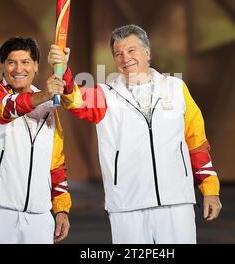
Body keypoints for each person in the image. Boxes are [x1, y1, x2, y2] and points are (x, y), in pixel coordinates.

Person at [50, 24, 222, 244]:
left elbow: (196, 143)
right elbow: (75, 100)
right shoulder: (106, 95)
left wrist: (210, 189)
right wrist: (63, 69)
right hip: (127, 206)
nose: (125, 58)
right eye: (118, 54)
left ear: (147, 52)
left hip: (176, 203)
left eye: (131, 50)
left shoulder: (176, 89)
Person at [0, 37, 72, 244]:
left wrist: (61, 209)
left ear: (36, 66)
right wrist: (45, 94)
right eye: (11, 62)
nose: (18, 69)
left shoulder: (49, 108)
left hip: (39, 219)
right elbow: (7, 108)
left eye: (25, 62)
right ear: (4, 67)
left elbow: (56, 164)